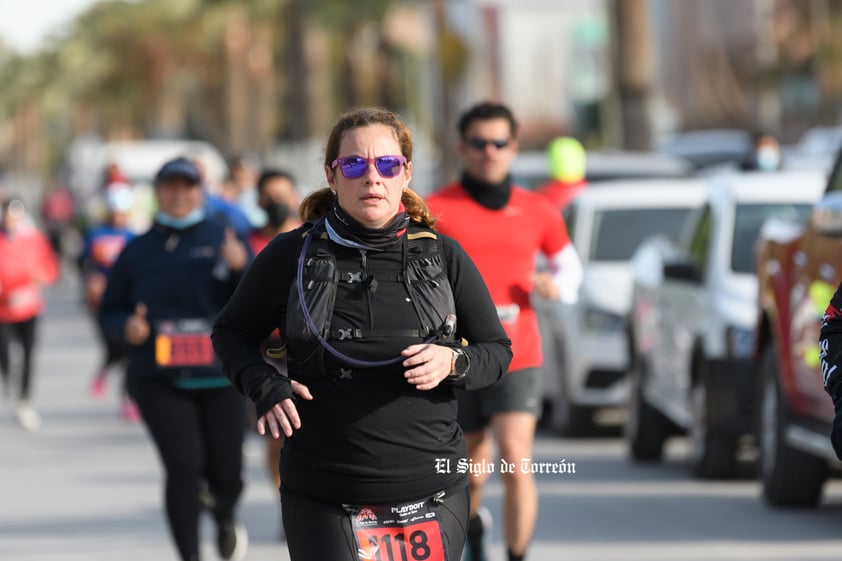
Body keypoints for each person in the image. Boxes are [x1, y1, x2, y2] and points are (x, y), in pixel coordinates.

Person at [211, 106, 513, 561]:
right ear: (332, 176)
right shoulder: (290, 255)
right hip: (325, 492)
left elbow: (497, 350)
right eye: (354, 164)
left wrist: (453, 361)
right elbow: (231, 333)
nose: (371, 177)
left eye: (387, 164)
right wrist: (264, 385)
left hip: (433, 491)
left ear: (405, 173)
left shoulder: (443, 256)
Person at [426, 101, 583, 561]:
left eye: (499, 143)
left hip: (519, 353)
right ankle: (473, 528)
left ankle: (516, 555)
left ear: (513, 147)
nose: (489, 152)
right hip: (456, 356)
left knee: (516, 461)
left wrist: (556, 285)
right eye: (479, 143)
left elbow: (570, 269)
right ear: (462, 147)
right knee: (469, 471)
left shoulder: (538, 209)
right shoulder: (435, 209)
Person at [98, 157, 252, 561]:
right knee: (184, 469)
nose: (179, 194)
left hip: (222, 378)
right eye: (170, 186)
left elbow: (255, 300)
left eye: (187, 186)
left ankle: (223, 518)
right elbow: (111, 309)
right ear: (158, 192)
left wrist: (240, 268)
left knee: (227, 476)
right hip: (159, 379)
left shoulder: (225, 236)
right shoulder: (137, 249)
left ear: (200, 190)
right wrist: (125, 328)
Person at [0, 197, 61, 431]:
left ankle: (24, 402)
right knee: (5, 355)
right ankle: (7, 377)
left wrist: (38, 281)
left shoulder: (34, 240)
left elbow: (50, 268)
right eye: (7, 213)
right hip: (3, 311)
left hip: (29, 308)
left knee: (28, 356)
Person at [79, 183, 138, 421]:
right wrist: (90, 282)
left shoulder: (134, 237)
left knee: (128, 351)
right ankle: (102, 372)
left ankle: (127, 398)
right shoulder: (95, 234)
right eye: (114, 211)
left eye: (122, 211)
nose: (117, 216)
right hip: (100, 303)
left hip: (127, 300)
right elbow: (83, 264)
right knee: (110, 345)